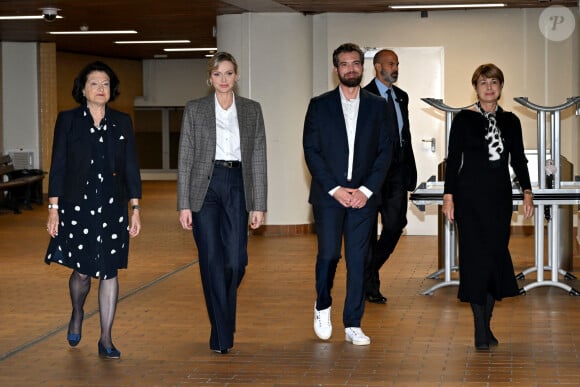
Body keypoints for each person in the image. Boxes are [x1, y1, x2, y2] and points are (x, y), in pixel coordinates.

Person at [45, 61, 142, 359]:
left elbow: (130, 167)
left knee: (110, 272)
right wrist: (53, 208)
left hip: (112, 207)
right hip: (78, 206)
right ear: (83, 89)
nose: (101, 89)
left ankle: (106, 338)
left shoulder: (122, 122)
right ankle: (77, 311)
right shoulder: (69, 120)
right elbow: (58, 164)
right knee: (84, 272)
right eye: (94, 84)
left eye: (105, 84)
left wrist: (135, 207)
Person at [177, 51, 267, 354]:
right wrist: (183, 204)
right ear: (209, 78)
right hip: (205, 188)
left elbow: (258, 158)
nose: (223, 79)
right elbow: (186, 157)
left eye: (228, 73)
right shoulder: (195, 109)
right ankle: (222, 333)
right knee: (211, 260)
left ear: (236, 76)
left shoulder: (252, 110)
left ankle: (222, 317)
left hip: (238, 185)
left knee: (235, 262)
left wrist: (259, 204)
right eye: (217, 74)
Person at [303, 43, 392, 346]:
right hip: (329, 196)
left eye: (356, 63)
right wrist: (335, 188)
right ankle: (322, 304)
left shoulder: (378, 105)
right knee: (329, 255)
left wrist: (366, 190)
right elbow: (311, 150)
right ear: (336, 69)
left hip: (364, 198)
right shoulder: (319, 105)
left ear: (362, 67)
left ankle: (353, 322)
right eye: (344, 64)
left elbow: (385, 151)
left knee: (358, 261)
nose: (351, 68)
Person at [442, 63, 534, 350]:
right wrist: (448, 197)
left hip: (499, 198)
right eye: (483, 82)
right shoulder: (463, 119)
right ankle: (480, 329)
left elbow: (518, 159)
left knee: (495, 259)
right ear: (476, 87)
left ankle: (487, 323)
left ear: (501, 88)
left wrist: (527, 191)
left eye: (494, 82)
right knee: (474, 260)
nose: (489, 87)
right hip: (469, 198)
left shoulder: (511, 121)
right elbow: (453, 159)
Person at [363, 49, 417, 304]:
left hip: (396, 172)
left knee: (395, 224)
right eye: (389, 64)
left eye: (396, 64)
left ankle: (368, 271)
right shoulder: (363, 96)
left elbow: (405, 135)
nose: (394, 68)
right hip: (371, 174)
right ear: (376, 67)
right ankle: (370, 286)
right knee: (367, 232)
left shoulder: (401, 97)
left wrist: (411, 169)